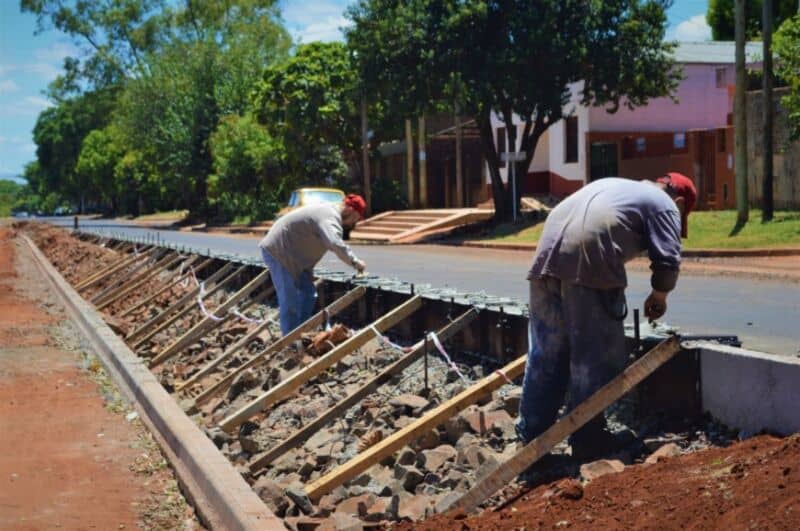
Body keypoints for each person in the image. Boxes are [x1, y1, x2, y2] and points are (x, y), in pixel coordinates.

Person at [516, 173, 696, 459]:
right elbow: (668, 258)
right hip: (589, 258)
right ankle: (588, 439)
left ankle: (531, 436)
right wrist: (659, 295)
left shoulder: (616, 186)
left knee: (547, 351)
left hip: (545, 256)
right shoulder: (665, 204)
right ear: (681, 201)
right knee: (594, 357)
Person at [259, 194, 367, 335]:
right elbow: (334, 243)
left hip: (297, 259)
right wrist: (355, 262)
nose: (354, 223)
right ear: (350, 210)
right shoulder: (330, 215)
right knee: (290, 299)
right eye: (356, 218)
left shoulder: (329, 214)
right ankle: (289, 342)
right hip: (279, 251)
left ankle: (300, 332)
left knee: (308, 294)